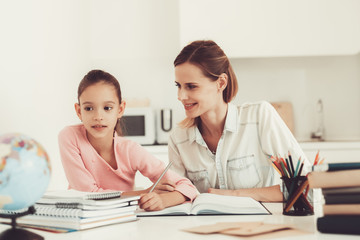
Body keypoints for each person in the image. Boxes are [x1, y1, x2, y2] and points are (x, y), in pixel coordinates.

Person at [169, 40, 310, 202]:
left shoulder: (259, 117)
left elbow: (306, 185)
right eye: (178, 86)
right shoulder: (178, 138)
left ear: (221, 83)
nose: (180, 96)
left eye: (191, 86)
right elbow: (179, 196)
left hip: (258, 226)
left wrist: (234, 195)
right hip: (202, 227)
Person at [58, 70, 197, 211]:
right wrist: (144, 193)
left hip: (123, 221)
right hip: (82, 218)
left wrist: (164, 200)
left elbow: (188, 187)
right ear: (79, 111)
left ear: (120, 109)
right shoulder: (70, 137)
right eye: (89, 108)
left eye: (107, 108)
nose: (98, 116)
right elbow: (87, 195)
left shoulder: (130, 150)